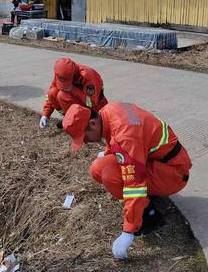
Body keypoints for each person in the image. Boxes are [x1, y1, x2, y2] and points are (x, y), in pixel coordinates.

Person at [62, 102, 192, 260]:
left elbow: (134, 184)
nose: (85, 142)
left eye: (84, 137)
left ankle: (148, 216)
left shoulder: (126, 134)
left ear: (92, 123)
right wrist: (109, 153)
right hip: (160, 163)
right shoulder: (108, 111)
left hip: (174, 174)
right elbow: (115, 138)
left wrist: (128, 231)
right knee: (98, 169)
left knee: (108, 172)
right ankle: (145, 202)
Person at [40, 57, 108, 128]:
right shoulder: (61, 73)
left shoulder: (88, 76)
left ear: (73, 74)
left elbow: (91, 102)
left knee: (62, 95)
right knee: (52, 93)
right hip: (80, 104)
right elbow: (50, 95)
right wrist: (45, 115)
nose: (64, 86)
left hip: (96, 108)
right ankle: (70, 119)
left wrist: (73, 89)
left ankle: (80, 123)